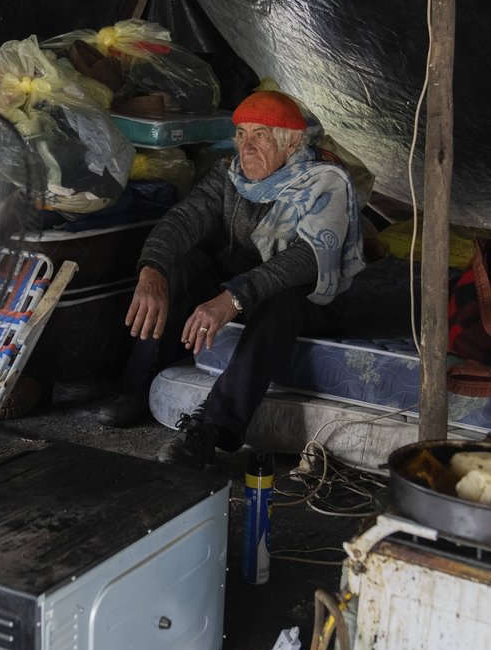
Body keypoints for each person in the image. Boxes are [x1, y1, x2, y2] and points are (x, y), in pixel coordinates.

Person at [96, 90, 365, 468]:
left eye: (261, 135)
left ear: (292, 143)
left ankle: (211, 426)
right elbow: (183, 219)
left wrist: (234, 297)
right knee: (182, 265)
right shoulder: (229, 175)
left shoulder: (325, 183)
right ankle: (137, 388)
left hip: (306, 299)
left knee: (281, 301)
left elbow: (307, 259)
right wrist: (152, 269)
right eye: (241, 134)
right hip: (238, 284)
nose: (246, 145)